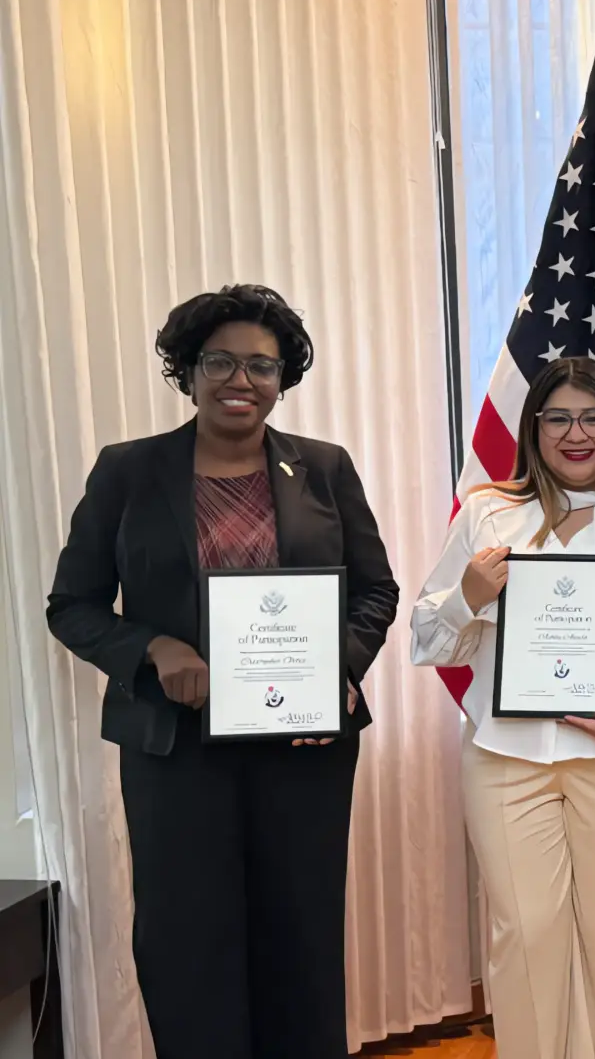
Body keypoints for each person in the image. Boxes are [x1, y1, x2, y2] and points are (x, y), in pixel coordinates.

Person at [45, 285, 398, 1059]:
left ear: (284, 379)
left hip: (303, 747)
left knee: (300, 942)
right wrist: (152, 650)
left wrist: (331, 671)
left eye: (262, 367)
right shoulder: (128, 472)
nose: (242, 381)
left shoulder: (326, 470)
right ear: (188, 369)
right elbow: (71, 605)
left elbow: (376, 592)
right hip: (177, 753)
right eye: (222, 362)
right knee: (185, 945)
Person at [410, 357, 595, 1059]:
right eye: (558, 418)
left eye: (593, 417)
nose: (576, 433)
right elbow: (428, 640)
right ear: (534, 428)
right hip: (506, 758)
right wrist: (470, 596)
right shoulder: (487, 512)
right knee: (524, 932)